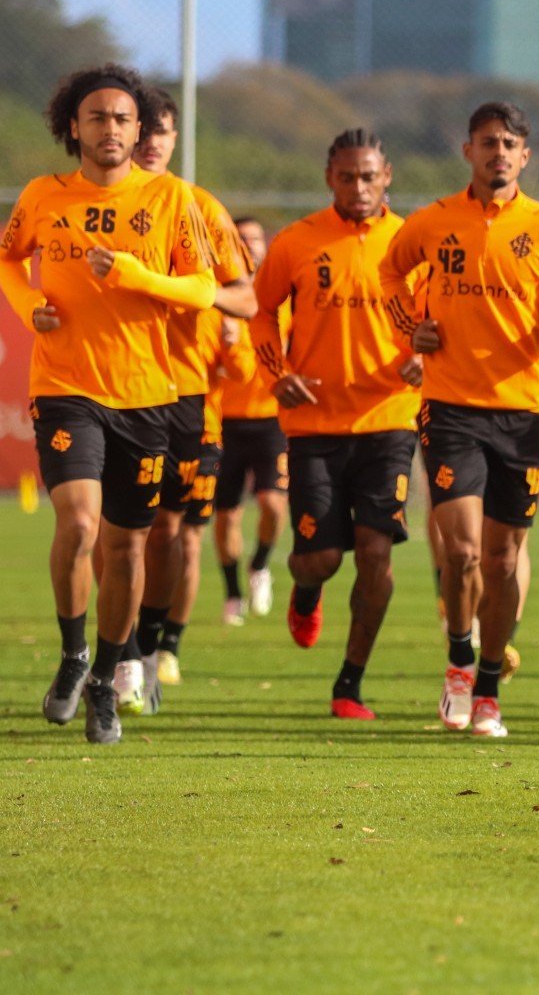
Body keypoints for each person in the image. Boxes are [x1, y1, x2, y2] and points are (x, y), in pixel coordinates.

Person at [0, 65, 218, 745]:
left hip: (148, 395)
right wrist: (31, 304)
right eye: (98, 117)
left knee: (127, 548)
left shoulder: (172, 198)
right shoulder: (43, 195)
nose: (112, 129)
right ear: (73, 127)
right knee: (81, 525)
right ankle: (72, 655)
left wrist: (131, 272)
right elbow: (8, 261)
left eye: (123, 118)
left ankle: (106, 682)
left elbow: (204, 289)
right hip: (66, 387)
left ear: (139, 129)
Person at [379, 102, 539, 738]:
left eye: (509, 144)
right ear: (467, 151)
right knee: (464, 551)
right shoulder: (433, 221)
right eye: (487, 142)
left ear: (524, 156)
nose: (498, 153)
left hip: (520, 413)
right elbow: (391, 271)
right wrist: (406, 328)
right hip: (449, 408)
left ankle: (491, 690)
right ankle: (458, 661)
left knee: (503, 562)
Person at [249, 129, 425, 718]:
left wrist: (428, 357)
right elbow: (261, 314)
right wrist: (277, 372)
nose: (359, 187)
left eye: (369, 176)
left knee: (377, 551)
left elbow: (440, 319)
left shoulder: (411, 243)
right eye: (347, 176)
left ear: (387, 176)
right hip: (313, 425)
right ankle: (306, 590)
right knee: (319, 558)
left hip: (390, 419)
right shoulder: (297, 241)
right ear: (330, 177)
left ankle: (349, 683)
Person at [128, 90, 257, 711]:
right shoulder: (94, 205)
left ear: (176, 139)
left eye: (164, 130)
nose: (153, 139)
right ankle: (116, 649)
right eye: (142, 127)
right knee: (110, 529)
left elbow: (243, 297)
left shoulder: (200, 208)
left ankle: (152, 647)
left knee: (173, 531)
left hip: (187, 397)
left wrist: (206, 301)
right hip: (109, 392)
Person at [213, 216, 290, 628]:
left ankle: (260, 565)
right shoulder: (217, 295)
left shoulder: (281, 296)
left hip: (271, 419)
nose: (249, 245)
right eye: (240, 239)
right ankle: (232, 593)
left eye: (256, 238)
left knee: (273, 504)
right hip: (224, 420)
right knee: (226, 516)